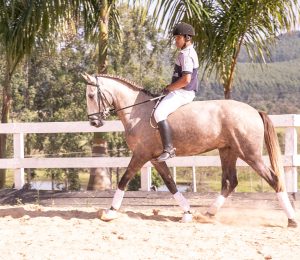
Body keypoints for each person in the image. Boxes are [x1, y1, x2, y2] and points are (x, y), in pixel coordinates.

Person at [154, 22, 199, 161]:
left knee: (159, 112)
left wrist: (169, 88)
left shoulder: (186, 55)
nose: (175, 41)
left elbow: (186, 79)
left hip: (183, 92)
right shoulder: (186, 52)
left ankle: (168, 149)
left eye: (177, 38)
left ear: (187, 38)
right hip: (180, 91)